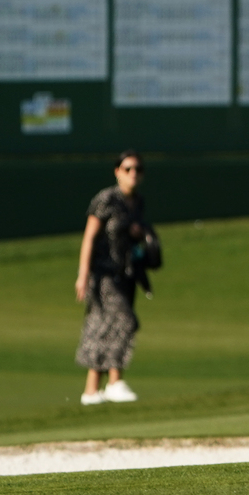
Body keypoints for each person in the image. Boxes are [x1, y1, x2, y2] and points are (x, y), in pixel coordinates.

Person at [74, 150, 149, 405]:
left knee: (102, 327)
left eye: (138, 169)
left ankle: (91, 391)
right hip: (103, 274)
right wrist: (83, 274)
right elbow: (89, 237)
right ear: (117, 172)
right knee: (125, 321)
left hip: (126, 273)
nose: (133, 174)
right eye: (127, 169)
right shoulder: (106, 199)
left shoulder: (137, 202)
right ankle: (115, 381)